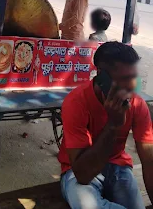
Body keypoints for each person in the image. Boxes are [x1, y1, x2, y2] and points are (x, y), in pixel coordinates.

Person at [59, 42, 153, 209]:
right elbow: (82, 175)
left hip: (118, 167)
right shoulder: (76, 102)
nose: (132, 87)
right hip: (77, 171)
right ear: (102, 76)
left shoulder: (137, 104)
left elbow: (149, 160)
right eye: (124, 79)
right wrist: (113, 125)